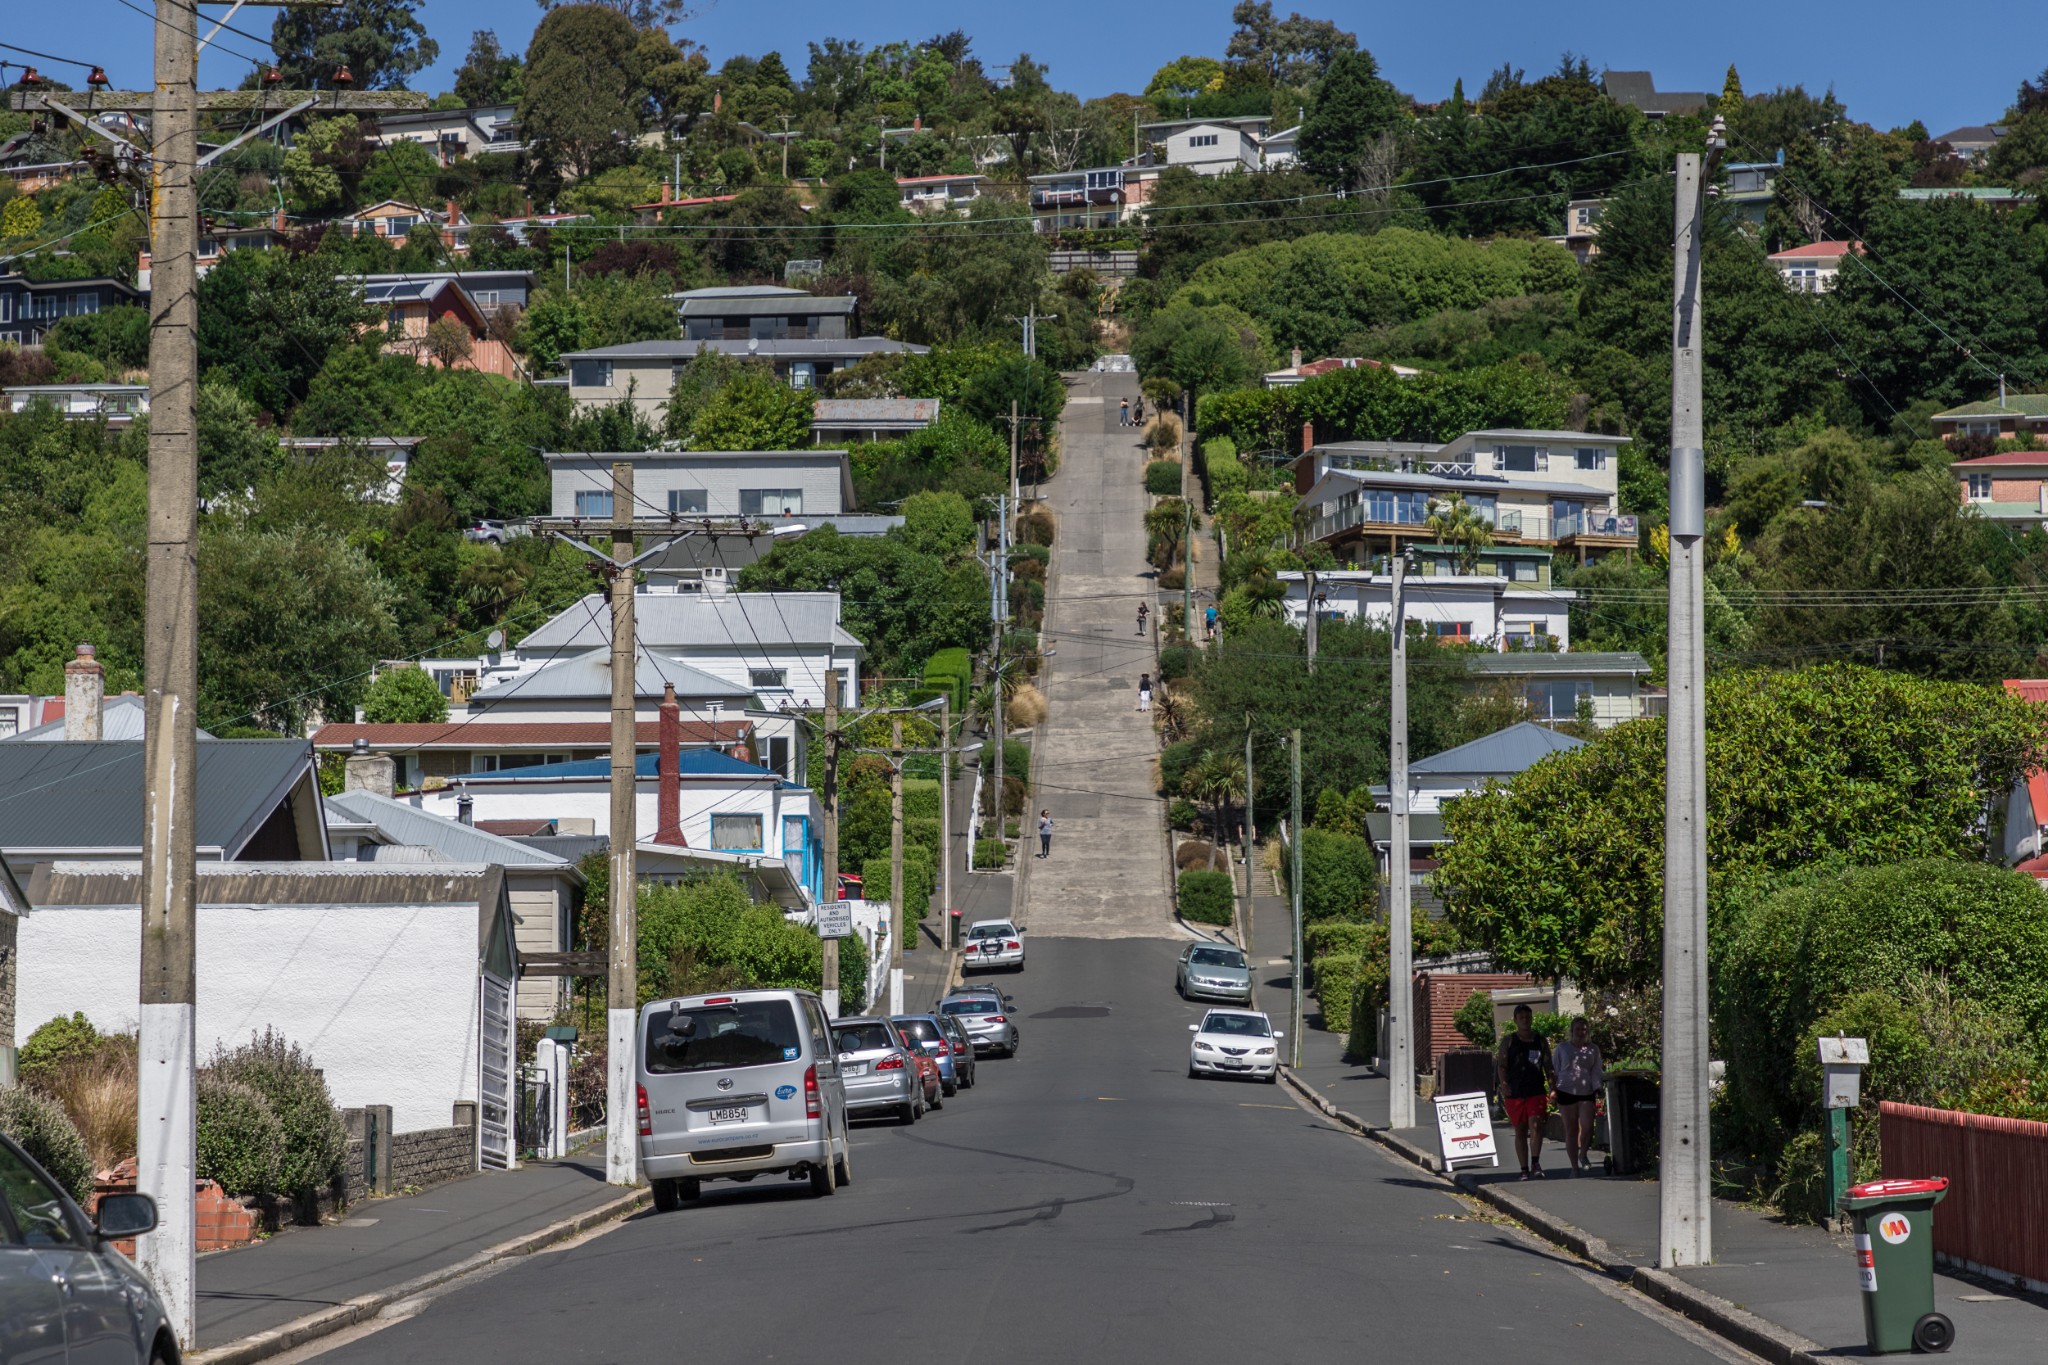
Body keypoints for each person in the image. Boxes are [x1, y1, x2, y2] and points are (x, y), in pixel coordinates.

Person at [1496, 1004, 1555, 1179]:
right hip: (1515, 1091)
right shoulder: (1509, 1041)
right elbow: (1501, 1065)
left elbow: (1548, 1066)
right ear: (1515, 1020)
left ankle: (1535, 1162)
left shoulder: (1540, 1040)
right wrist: (1504, 1084)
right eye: (1521, 1017)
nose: (1525, 1020)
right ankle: (1524, 1168)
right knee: (1520, 1130)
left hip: (1535, 1090)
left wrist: (1553, 1088)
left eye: (1527, 1017)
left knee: (1536, 1125)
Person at [1552, 1017, 1604, 1175]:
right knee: (1571, 1130)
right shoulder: (1562, 1048)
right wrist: (1552, 1090)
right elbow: (1555, 1069)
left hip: (1586, 1091)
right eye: (1577, 1029)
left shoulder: (1593, 1049)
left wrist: (1597, 1087)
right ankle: (1574, 1167)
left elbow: (1596, 1070)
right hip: (1565, 1091)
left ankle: (1583, 1154)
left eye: (1584, 1029)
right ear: (1571, 1031)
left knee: (1588, 1127)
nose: (1581, 1032)